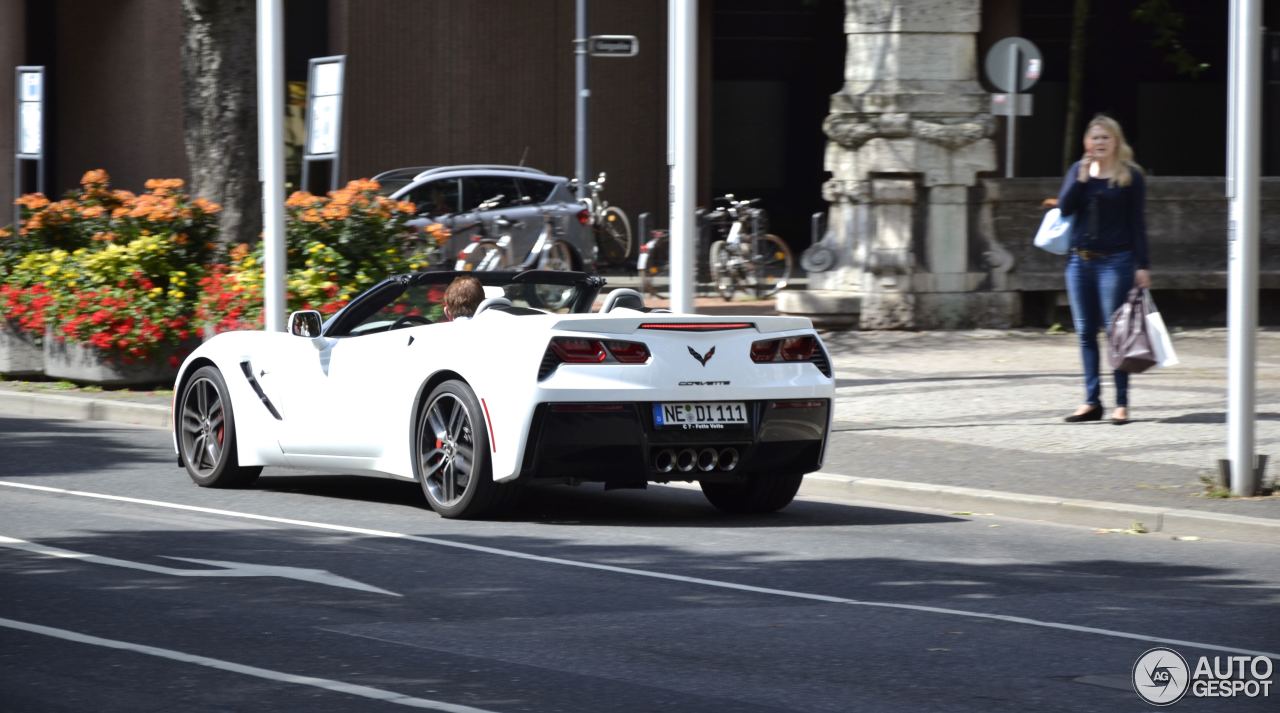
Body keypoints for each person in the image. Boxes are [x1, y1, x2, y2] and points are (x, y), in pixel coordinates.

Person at [1057, 114, 1151, 425]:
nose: (1099, 142)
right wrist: (1082, 177)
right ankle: (1091, 401)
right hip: (1079, 261)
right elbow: (1065, 208)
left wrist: (1143, 265)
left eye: (1105, 137)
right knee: (1085, 333)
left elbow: (1138, 223)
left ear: (1116, 142)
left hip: (1116, 261)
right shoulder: (1078, 171)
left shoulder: (1130, 176)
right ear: (1086, 142)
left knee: (1115, 333)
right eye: (1094, 137)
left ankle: (1121, 403)